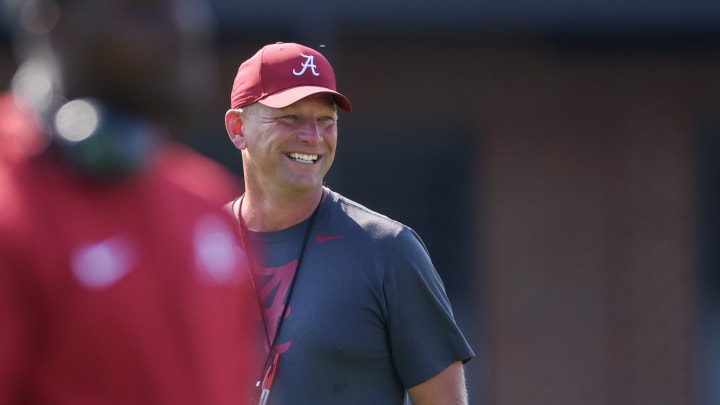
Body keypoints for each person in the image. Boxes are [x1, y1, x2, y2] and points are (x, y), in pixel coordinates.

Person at [0, 0, 260, 403]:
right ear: (53, 21)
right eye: (146, 9)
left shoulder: (211, 204)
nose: (183, 28)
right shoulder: (13, 203)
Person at [224, 41, 475, 404]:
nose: (313, 136)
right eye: (290, 116)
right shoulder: (194, 244)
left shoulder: (389, 251)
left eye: (326, 120)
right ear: (237, 128)